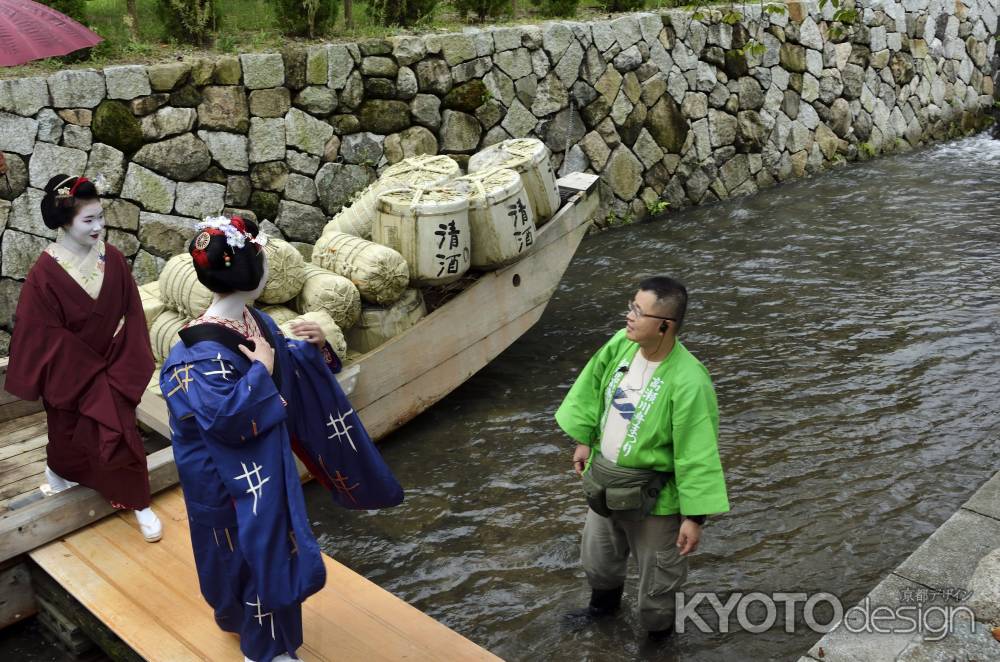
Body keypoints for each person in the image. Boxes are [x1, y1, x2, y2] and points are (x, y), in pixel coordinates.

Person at [159, 215, 403, 662]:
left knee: (269, 549)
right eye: (262, 257)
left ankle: (266, 640)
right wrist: (263, 371)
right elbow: (227, 419)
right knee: (246, 553)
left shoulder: (253, 321)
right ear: (250, 274)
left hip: (258, 470)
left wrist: (312, 348)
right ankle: (265, 652)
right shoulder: (191, 359)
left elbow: (281, 366)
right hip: (226, 481)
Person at [555, 276, 730, 640]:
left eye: (638, 310)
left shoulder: (689, 381)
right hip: (604, 482)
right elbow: (592, 388)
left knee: (657, 585)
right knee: (599, 560)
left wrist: (694, 517)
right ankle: (601, 614)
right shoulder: (621, 344)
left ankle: (657, 641)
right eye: (631, 306)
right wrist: (585, 439)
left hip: (654, 499)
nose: (629, 316)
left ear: (664, 325)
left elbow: (697, 452)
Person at [5, 174, 161, 542]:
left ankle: (138, 499)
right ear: (64, 221)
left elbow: (132, 313)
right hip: (71, 373)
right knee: (67, 438)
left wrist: (121, 361)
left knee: (122, 436)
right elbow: (40, 333)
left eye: (101, 217)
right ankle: (58, 471)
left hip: (114, 364)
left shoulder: (114, 258)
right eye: (88, 220)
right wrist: (86, 369)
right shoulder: (44, 273)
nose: (98, 227)